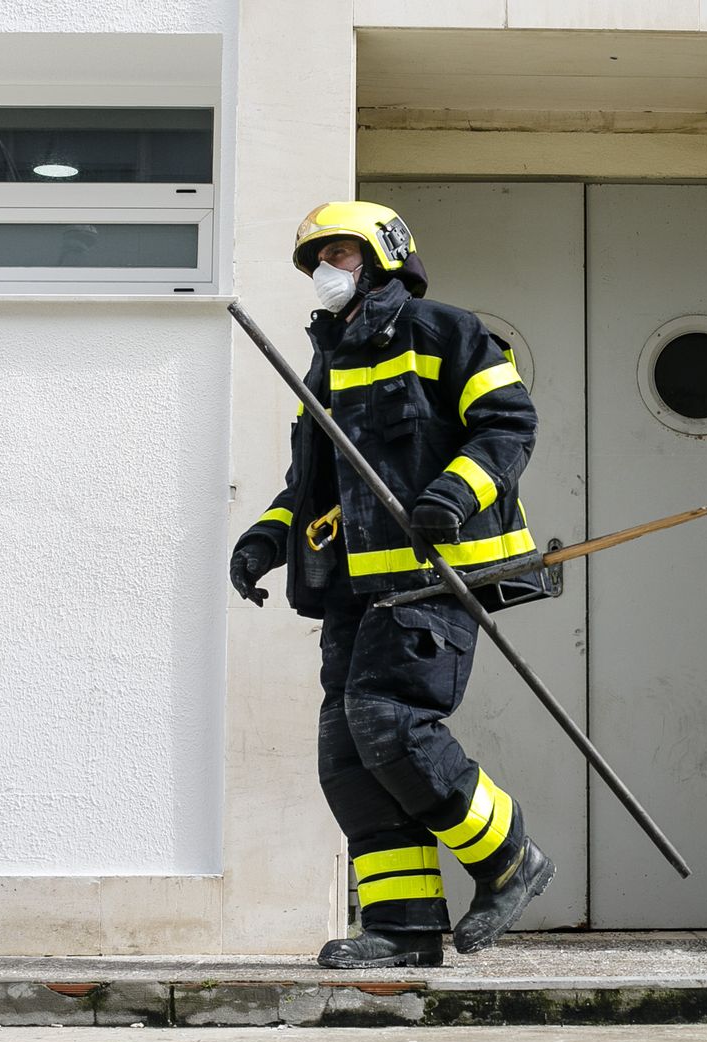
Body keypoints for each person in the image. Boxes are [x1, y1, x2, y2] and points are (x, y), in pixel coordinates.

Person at [228, 201, 554, 968]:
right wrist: (267, 537)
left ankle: (510, 857)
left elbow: (508, 423)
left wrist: (452, 494)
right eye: (315, 260)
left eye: (337, 253)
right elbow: (315, 483)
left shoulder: (447, 331)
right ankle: (403, 928)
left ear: (380, 255)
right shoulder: (327, 361)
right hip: (354, 593)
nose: (324, 272)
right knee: (347, 756)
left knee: (388, 722)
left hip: (432, 583)